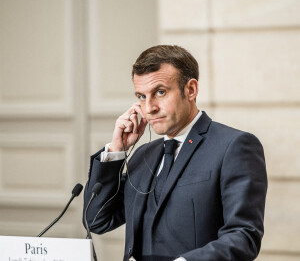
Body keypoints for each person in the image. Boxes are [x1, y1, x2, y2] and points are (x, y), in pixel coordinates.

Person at [83, 45, 268, 261]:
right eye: (141, 96)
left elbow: (243, 236)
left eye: (160, 92)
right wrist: (116, 151)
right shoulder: (143, 154)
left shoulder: (234, 146)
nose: (149, 107)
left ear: (190, 90)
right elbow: (97, 220)